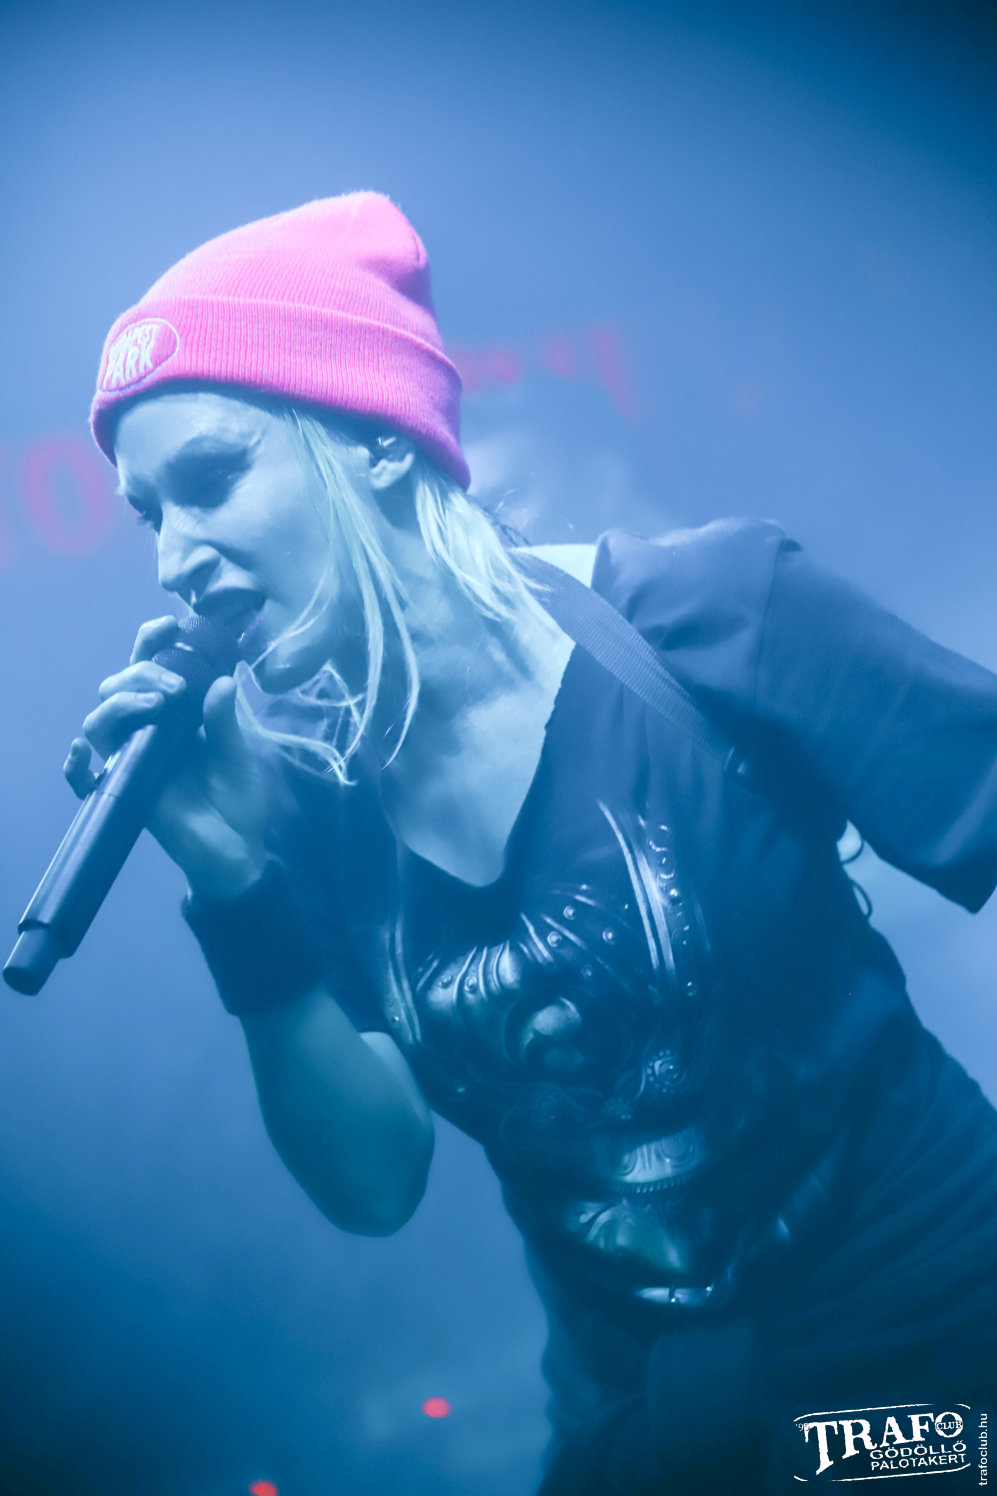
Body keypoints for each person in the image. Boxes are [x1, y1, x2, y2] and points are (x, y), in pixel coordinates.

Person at [68, 193, 997, 1492]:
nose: (175, 556)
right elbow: (373, 1184)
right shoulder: (315, 809)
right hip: (648, 1428)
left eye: (213, 480)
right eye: (148, 514)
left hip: (928, 1366)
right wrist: (233, 885)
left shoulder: (709, 614)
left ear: (373, 437)